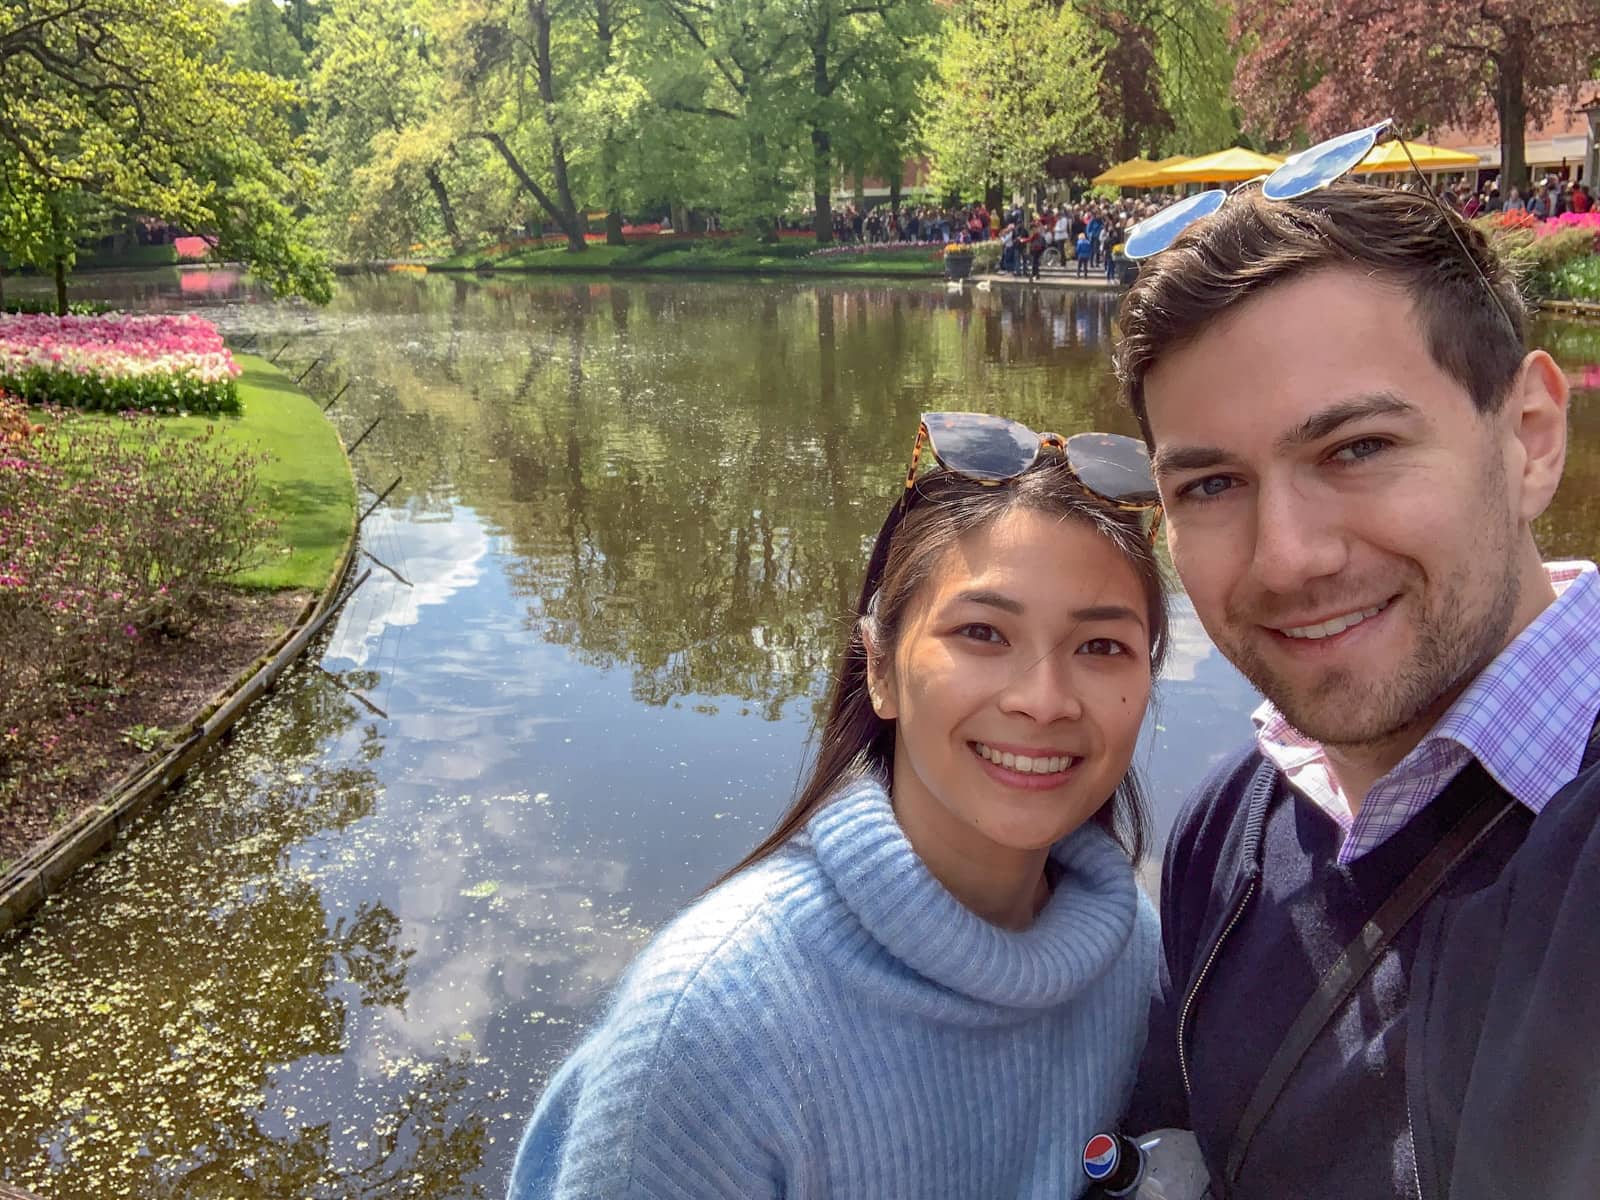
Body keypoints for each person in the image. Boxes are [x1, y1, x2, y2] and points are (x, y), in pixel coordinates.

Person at [509, 421, 1169, 1199]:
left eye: (1100, 647)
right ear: (881, 670)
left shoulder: (1136, 956)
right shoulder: (710, 1026)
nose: (1044, 700)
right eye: (983, 632)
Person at [1114, 182, 1598, 1199]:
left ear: (1530, 438)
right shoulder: (1230, 826)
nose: (1284, 559)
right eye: (1209, 485)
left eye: (1358, 449)